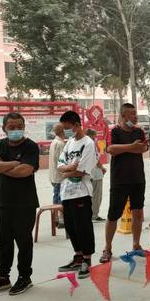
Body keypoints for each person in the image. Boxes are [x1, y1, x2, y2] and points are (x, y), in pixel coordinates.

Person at [0, 112, 40, 296]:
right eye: (11, 127)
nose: (16, 130)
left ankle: (24, 277)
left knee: (24, 242)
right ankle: (2, 277)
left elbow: (24, 171)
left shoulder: (31, 146)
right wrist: (14, 163)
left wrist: (2, 166)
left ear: (24, 127)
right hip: (2, 201)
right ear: (4, 128)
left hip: (25, 203)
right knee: (3, 242)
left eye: (19, 127)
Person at [99, 104, 148, 263]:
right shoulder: (115, 131)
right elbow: (111, 149)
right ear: (123, 116)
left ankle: (136, 244)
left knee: (138, 213)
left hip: (138, 178)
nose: (135, 117)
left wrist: (125, 148)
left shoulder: (138, 131)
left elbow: (143, 148)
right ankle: (107, 248)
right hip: (120, 179)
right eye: (132, 114)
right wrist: (132, 147)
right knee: (113, 214)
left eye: (136, 113)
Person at [56, 111, 98, 278]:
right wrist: (68, 168)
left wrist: (66, 172)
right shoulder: (69, 144)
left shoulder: (88, 143)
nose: (66, 131)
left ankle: (87, 259)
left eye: (67, 128)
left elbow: (81, 171)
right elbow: (60, 165)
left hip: (81, 192)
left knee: (83, 227)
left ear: (76, 125)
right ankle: (78, 256)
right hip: (66, 192)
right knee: (71, 227)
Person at [86, 128, 106, 221]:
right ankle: (94, 215)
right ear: (91, 135)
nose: (96, 137)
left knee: (91, 195)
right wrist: (102, 168)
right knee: (97, 195)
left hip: (89, 173)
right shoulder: (91, 144)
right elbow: (96, 159)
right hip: (96, 173)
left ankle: (90, 214)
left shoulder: (84, 144)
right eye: (95, 135)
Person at [48, 123, 66, 227]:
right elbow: (61, 162)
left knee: (56, 197)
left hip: (54, 176)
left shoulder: (54, 142)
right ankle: (61, 220)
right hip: (60, 176)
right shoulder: (60, 144)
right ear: (62, 131)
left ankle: (55, 219)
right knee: (60, 198)